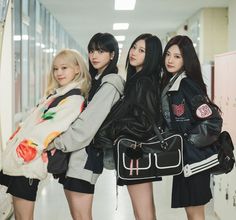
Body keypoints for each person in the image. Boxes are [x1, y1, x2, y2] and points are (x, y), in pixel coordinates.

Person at [0, 48, 91, 220]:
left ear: (77, 69)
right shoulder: (55, 95)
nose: (59, 73)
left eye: (64, 68)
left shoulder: (73, 99)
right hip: (19, 164)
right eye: (55, 69)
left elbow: (47, 131)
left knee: (24, 217)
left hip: (27, 165)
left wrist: (20, 155)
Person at [49, 33, 125, 220]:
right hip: (75, 156)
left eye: (101, 51)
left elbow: (87, 126)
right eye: (91, 51)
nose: (94, 56)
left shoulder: (111, 83)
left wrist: (57, 143)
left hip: (87, 157)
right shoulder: (95, 81)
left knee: (82, 216)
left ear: (112, 55)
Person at [161, 35, 222, 220]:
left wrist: (187, 143)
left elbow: (213, 121)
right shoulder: (172, 82)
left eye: (177, 56)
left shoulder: (187, 84)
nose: (170, 60)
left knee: (195, 212)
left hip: (194, 160)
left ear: (186, 59)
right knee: (191, 210)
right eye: (168, 54)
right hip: (185, 159)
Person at [107, 33, 163, 220]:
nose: (134, 53)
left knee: (144, 213)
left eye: (142, 50)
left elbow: (145, 124)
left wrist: (115, 128)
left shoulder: (144, 82)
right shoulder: (137, 81)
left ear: (151, 56)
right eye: (134, 47)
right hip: (135, 154)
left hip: (137, 155)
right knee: (143, 212)